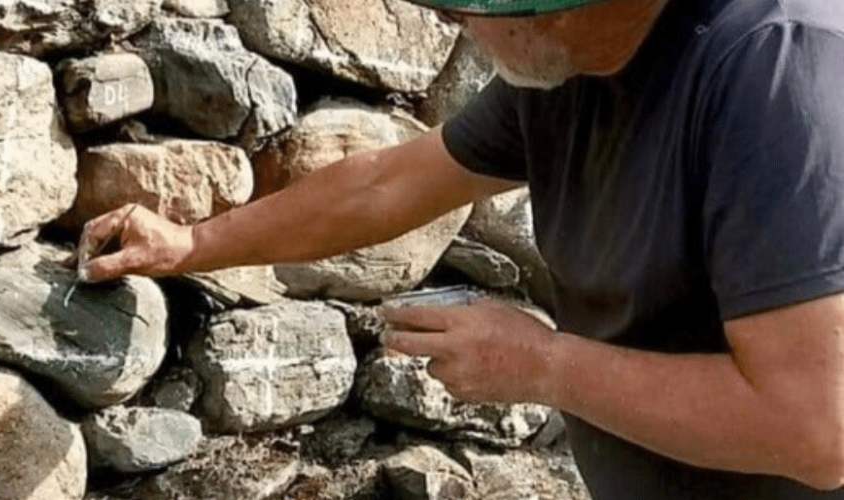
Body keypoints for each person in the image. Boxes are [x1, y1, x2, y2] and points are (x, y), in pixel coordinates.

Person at [76, 0, 844, 497]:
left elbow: (817, 430)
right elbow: (383, 185)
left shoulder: (774, 74)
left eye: (467, 7)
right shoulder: (567, 71)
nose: (454, 26)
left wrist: (543, 366)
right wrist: (191, 243)